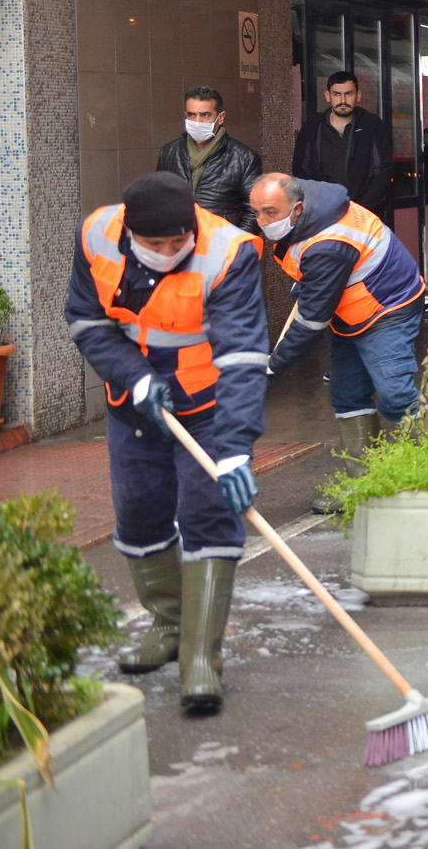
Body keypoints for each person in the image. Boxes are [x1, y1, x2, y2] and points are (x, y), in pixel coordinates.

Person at [66, 173, 268, 714]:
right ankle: (169, 626)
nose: (168, 251)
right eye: (154, 244)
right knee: (139, 514)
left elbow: (243, 356)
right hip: (134, 400)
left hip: (206, 406)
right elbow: (86, 321)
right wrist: (134, 376)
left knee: (208, 515)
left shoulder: (228, 252)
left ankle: (201, 658)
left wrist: (235, 448)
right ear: (130, 233)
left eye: (178, 241)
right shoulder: (97, 235)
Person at [250, 174, 426, 513]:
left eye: (270, 212)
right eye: (256, 212)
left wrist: (273, 368)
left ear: (297, 208)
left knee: (395, 395)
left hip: (389, 305)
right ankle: (364, 487)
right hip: (347, 306)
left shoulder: (329, 242)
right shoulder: (308, 211)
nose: (262, 222)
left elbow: (311, 321)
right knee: (348, 394)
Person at [156, 85, 263, 233]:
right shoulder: (169, 153)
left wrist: (233, 243)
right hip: (177, 241)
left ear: (221, 118)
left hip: (221, 242)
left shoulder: (244, 158)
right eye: (191, 115)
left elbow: (254, 211)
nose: (197, 121)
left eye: (205, 115)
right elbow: (158, 199)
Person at [292, 70, 394, 221]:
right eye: (337, 94)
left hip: (364, 214)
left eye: (348, 94)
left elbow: (384, 171)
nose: (343, 100)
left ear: (358, 95)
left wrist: (361, 208)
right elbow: (301, 171)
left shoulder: (372, 125)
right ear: (328, 96)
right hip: (323, 214)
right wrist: (320, 203)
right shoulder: (312, 127)